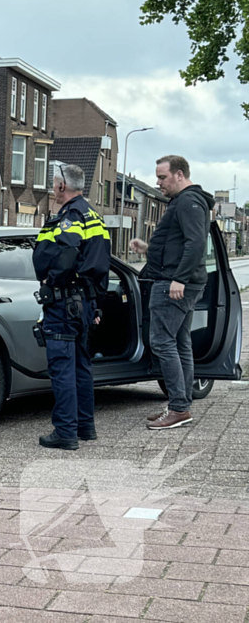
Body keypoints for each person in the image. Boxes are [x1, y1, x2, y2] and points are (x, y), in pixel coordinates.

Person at [130, 155, 213, 430]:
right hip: (177, 280)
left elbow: (196, 242)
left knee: (163, 342)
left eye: (162, 177)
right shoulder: (185, 201)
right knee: (179, 343)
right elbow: (179, 243)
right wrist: (147, 249)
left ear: (179, 175)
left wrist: (179, 278)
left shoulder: (188, 201)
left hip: (173, 284)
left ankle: (178, 408)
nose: (158, 182)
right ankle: (181, 405)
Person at [33, 163, 111, 450]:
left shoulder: (70, 217)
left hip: (64, 302)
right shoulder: (95, 217)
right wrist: (97, 307)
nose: (53, 187)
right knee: (81, 367)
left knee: (62, 368)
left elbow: (65, 254)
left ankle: (65, 432)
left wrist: (51, 285)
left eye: (54, 183)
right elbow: (103, 267)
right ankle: (84, 427)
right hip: (86, 304)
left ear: (62, 186)